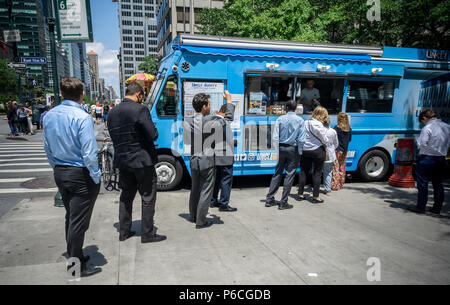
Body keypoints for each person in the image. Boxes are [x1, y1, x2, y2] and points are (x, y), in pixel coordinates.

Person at [43, 77, 102, 277]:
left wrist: (56, 167)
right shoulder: (82, 117)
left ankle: (74, 254)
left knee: (71, 217)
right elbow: (89, 152)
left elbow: (47, 147)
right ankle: (75, 269)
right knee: (78, 221)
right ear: (81, 94)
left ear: (62, 94)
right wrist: (95, 175)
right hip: (80, 173)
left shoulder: (49, 116)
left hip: (61, 171)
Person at [107, 83, 166, 243]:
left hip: (123, 161)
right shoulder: (140, 110)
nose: (143, 99)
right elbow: (153, 134)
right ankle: (147, 233)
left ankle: (124, 232)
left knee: (126, 196)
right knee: (147, 197)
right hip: (142, 161)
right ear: (139, 94)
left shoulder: (112, 112)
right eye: (143, 96)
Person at [184, 91, 234, 229]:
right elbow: (228, 118)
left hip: (194, 160)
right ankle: (201, 221)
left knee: (194, 190)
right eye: (209, 105)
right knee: (206, 191)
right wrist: (228, 100)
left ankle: (193, 216)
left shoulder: (187, 120)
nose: (210, 107)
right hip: (207, 160)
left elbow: (187, 141)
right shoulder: (212, 120)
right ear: (204, 106)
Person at [265, 100, 306, 209]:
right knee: (289, 174)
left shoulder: (280, 119)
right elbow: (302, 139)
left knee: (277, 173)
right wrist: (300, 152)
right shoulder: (300, 120)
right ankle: (283, 202)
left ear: (286, 108)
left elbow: (275, 137)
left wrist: (276, 149)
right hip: (293, 149)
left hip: (281, 147)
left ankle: (269, 199)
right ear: (296, 108)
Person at [409, 109, 450, 215]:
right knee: (438, 184)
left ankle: (421, 207)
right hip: (441, 159)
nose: (423, 123)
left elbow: (422, 144)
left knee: (422, 184)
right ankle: (437, 208)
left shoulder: (427, 128)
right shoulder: (447, 126)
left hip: (427, 158)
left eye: (422, 121)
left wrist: (418, 143)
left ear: (424, 118)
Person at [297, 106, 330, 203]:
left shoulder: (305, 122)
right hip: (317, 151)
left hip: (305, 150)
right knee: (317, 173)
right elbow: (325, 139)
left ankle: (300, 194)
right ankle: (315, 197)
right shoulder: (319, 125)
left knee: (303, 171)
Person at [210, 103, 237, 212]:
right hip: (225, 156)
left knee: (216, 180)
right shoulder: (223, 121)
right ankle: (224, 204)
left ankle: (213, 200)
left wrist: (233, 141)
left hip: (216, 155)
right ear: (225, 112)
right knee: (226, 180)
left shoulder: (214, 121)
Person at [332, 112, 352, 191]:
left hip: (337, 150)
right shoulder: (349, 129)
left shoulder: (336, 128)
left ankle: (335, 185)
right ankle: (341, 184)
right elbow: (349, 139)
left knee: (335, 168)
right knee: (342, 168)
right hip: (344, 151)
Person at [322, 117, 338, 195]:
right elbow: (336, 143)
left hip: (320, 152)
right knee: (328, 172)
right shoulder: (333, 131)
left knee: (317, 171)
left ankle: (315, 187)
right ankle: (327, 190)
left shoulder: (320, 131)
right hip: (330, 154)